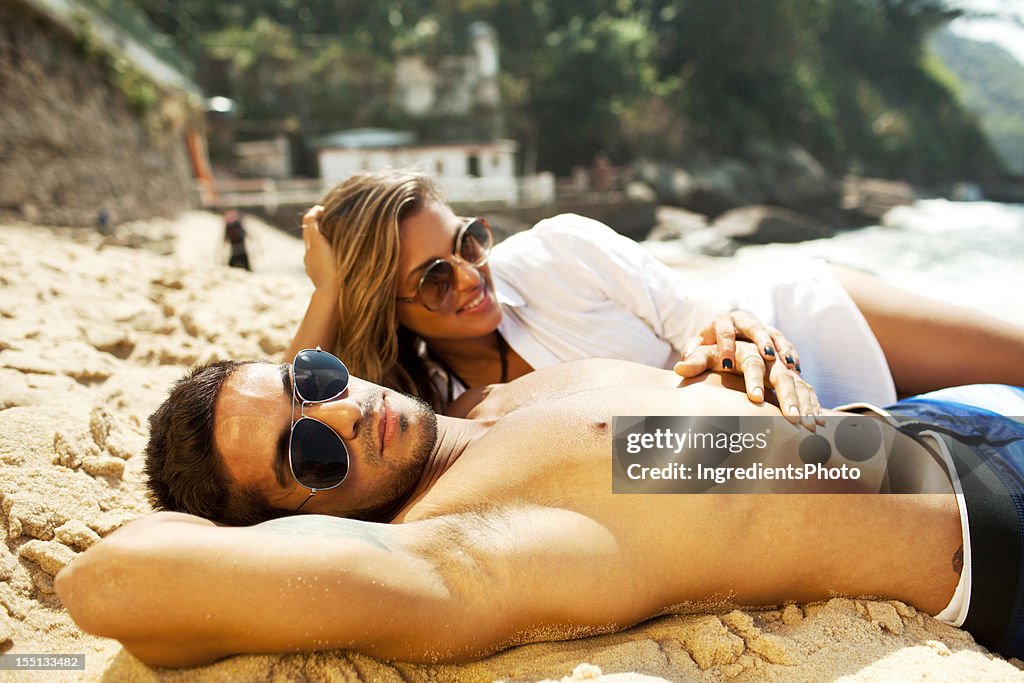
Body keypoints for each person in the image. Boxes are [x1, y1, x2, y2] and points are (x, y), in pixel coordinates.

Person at [57, 346, 1024, 668]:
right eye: (307, 452)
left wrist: (730, 342)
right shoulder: (463, 541)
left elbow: (730, 446)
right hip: (981, 526)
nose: (345, 411)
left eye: (312, 379)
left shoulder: (494, 400)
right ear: (294, 523)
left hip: (927, 422)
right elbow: (112, 582)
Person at [286, 170, 1024, 415]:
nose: (474, 274)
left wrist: (726, 339)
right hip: (765, 437)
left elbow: (691, 317)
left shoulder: (557, 250)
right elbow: (294, 417)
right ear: (383, 303)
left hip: (795, 322)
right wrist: (327, 291)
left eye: (468, 240)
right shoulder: (429, 400)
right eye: (434, 278)